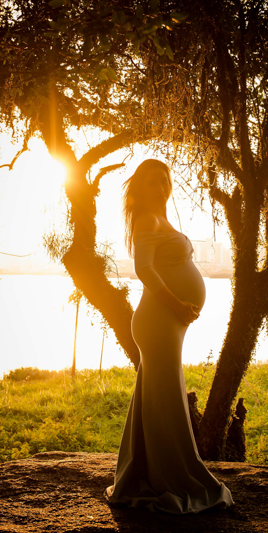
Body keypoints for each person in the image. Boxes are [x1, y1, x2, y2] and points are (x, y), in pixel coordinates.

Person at [105, 159, 234, 513]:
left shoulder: (161, 219)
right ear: (139, 188)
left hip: (169, 321)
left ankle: (143, 471)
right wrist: (178, 304)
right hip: (159, 319)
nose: (160, 187)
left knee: (156, 396)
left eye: (164, 181)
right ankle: (171, 478)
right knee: (165, 399)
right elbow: (144, 269)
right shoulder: (147, 220)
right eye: (152, 182)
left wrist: (180, 309)